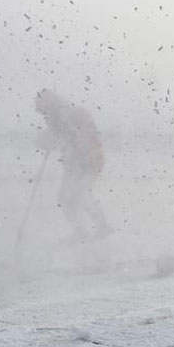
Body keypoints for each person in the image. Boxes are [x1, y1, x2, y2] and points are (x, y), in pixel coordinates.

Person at [35, 89, 112, 241]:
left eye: (45, 111)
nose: (44, 116)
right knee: (66, 197)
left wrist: (55, 140)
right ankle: (83, 231)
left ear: (49, 104)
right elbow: (61, 139)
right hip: (74, 161)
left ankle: (101, 227)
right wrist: (48, 140)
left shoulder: (68, 115)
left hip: (88, 160)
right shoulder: (56, 118)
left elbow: (79, 137)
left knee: (79, 194)